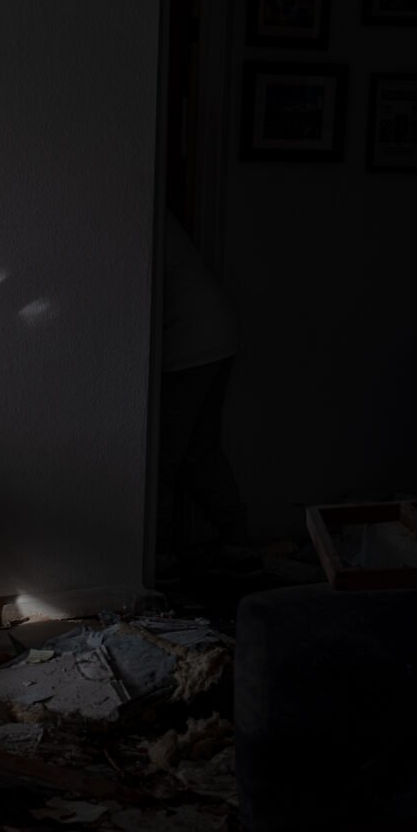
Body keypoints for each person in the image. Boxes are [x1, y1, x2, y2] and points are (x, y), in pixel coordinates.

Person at [156, 211, 257, 581]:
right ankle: (237, 543)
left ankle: (160, 557)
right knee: (199, 449)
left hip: (189, 344)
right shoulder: (151, 211)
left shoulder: (130, 208)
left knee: (161, 456)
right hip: (213, 335)